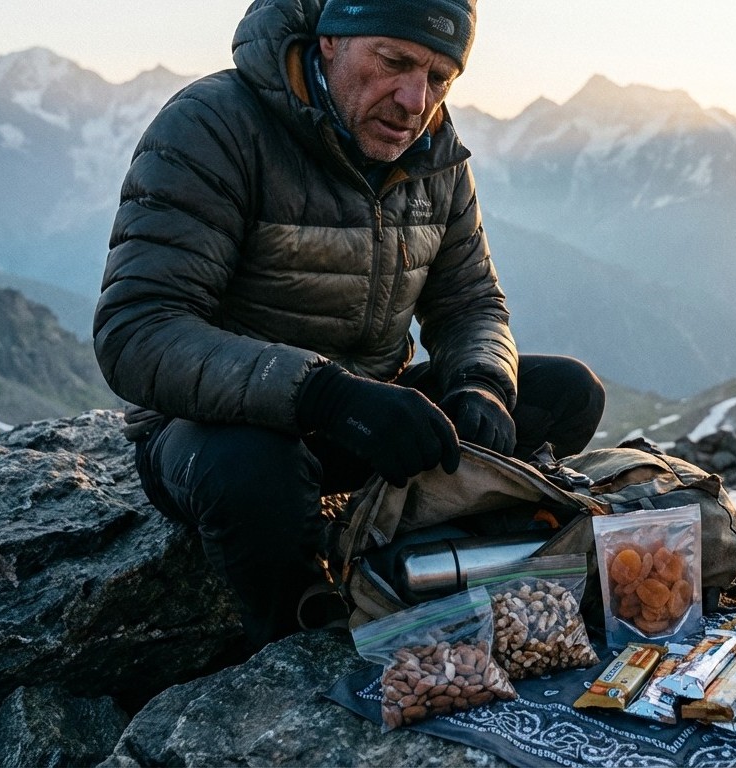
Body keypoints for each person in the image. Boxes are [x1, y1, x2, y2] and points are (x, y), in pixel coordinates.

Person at [93, 0, 605, 648]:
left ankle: (416, 571)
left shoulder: (434, 152)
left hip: (370, 418)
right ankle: (304, 636)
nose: (415, 99)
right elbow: (137, 331)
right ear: (329, 41)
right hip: (222, 428)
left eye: (440, 76)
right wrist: (324, 394)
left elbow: (470, 303)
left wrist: (481, 383)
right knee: (250, 469)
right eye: (394, 62)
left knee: (567, 394)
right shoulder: (215, 124)